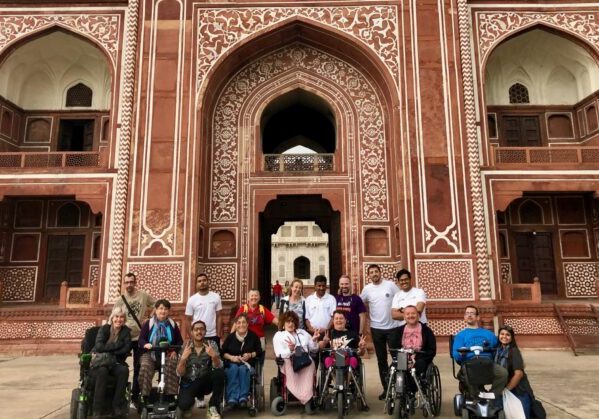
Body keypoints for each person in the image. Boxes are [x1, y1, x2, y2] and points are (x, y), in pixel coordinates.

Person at [113, 272, 155, 405]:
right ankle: (118, 395)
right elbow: (113, 316)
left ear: (135, 282)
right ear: (124, 284)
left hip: (139, 337)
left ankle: (135, 396)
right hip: (124, 337)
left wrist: (150, 318)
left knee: (138, 367)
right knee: (118, 364)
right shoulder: (121, 299)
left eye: (132, 282)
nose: (129, 284)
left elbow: (156, 304)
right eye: (127, 282)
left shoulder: (143, 296)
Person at [360, 264, 400, 399]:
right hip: (377, 329)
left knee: (397, 358)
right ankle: (387, 389)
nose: (374, 274)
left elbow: (400, 298)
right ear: (369, 275)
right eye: (371, 272)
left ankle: (399, 387)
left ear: (380, 272)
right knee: (381, 361)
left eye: (376, 271)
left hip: (393, 328)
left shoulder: (390, 285)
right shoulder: (367, 289)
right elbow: (359, 304)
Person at [451, 306, 507, 398]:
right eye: (467, 313)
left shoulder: (488, 334)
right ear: (464, 317)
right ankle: (475, 396)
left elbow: (498, 349)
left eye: (472, 313)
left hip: (487, 363)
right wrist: (461, 354)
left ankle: (492, 395)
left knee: (503, 373)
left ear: (477, 317)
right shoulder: (461, 336)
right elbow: (456, 355)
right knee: (469, 375)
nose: (469, 315)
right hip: (470, 363)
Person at [177, 319, 224, 419]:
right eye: (196, 329)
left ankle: (213, 407)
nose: (199, 332)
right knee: (183, 405)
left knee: (219, 373)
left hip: (205, 381)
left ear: (205, 332)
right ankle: (190, 404)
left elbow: (219, 366)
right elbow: (180, 373)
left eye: (202, 329)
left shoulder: (211, 344)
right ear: (192, 332)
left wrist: (214, 356)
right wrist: (183, 359)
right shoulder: (186, 346)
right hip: (189, 382)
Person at [138, 299, 184, 401]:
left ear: (168, 311)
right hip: (150, 353)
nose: (163, 311)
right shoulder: (149, 323)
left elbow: (179, 341)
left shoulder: (172, 324)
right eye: (161, 308)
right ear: (156, 310)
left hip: (167, 354)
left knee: (173, 363)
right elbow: (141, 339)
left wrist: (174, 351)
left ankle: (171, 396)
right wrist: (145, 344)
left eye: (166, 309)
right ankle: (145, 396)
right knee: (145, 366)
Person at [273, 311, 320, 409]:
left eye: (293, 321)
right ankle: (302, 395)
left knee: (311, 363)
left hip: (302, 358)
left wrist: (314, 340)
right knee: (288, 361)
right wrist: (290, 350)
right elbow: (279, 353)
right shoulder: (279, 335)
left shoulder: (302, 333)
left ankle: (307, 395)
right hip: (287, 359)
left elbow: (314, 349)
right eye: (288, 321)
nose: (291, 324)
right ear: (283, 323)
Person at [90, 306, 131, 418]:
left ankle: (117, 406)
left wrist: (110, 351)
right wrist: (117, 345)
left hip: (115, 362)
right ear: (112, 318)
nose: (119, 319)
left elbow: (127, 348)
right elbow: (98, 346)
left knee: (123, 370)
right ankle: (97, 410)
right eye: (116, 317)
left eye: (122, 317)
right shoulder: (104, 329)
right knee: (102, 371)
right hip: (100, 361)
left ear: (124, 319)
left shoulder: (126, 331)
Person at [222, 313, 262, 409]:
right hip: (232, 364)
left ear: (248, 324)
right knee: (234, 368)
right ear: (235, 324)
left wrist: (250, 355)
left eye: (244, 322)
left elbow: (259, 351)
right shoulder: (230, 337)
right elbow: (223, 353)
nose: (241, 325)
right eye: (239, 323)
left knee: (243, 369)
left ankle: (243, 397)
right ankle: (232, 397)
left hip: (248, 365)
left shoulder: (253, 337)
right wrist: (232, 358)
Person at [495, 325, 536, 418]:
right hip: (503, 387)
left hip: (518, 390)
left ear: (512, 338)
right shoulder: (498, 350)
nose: (504, 337)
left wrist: (506, 390)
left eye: (508, 335)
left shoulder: (514, 351)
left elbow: (519, 374)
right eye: (502, 334)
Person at [233, 289, 278, 364]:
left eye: (256, 295)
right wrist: (231, 338)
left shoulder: (262, 309)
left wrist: (285, 327)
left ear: (259, 297)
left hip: (259, 341)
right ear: (248, 298)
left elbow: (275, 320)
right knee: (245, 364)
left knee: (259, 364)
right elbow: (235, 324)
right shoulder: (243, 309)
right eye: (252, 296)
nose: (254, 297)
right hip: (245, 340)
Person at [397, 305, 436, 393]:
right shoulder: (398, 331)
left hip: (420, 358)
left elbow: (431, 350)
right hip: (403, 358)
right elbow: (394, 348)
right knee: (393, 368)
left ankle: (411, 390)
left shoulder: (427, 331)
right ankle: (397, 394)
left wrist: (415, 359)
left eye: (413, 313)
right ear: (404, 317)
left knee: (419, 366)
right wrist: (404, 359)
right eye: (408, 314)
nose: (411, 316)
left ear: (418, 315)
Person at [185, 273, 223, 347]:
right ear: (196, 284)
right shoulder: (192, 299)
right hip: (198, 335)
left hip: (213, 335)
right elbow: (187, 319)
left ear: (208, 282)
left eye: (204, 280)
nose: (202, 282)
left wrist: (218, 334)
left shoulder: (216, 297)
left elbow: (219, 316)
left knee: (214, 357)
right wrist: (192, 336)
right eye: (199, 281)